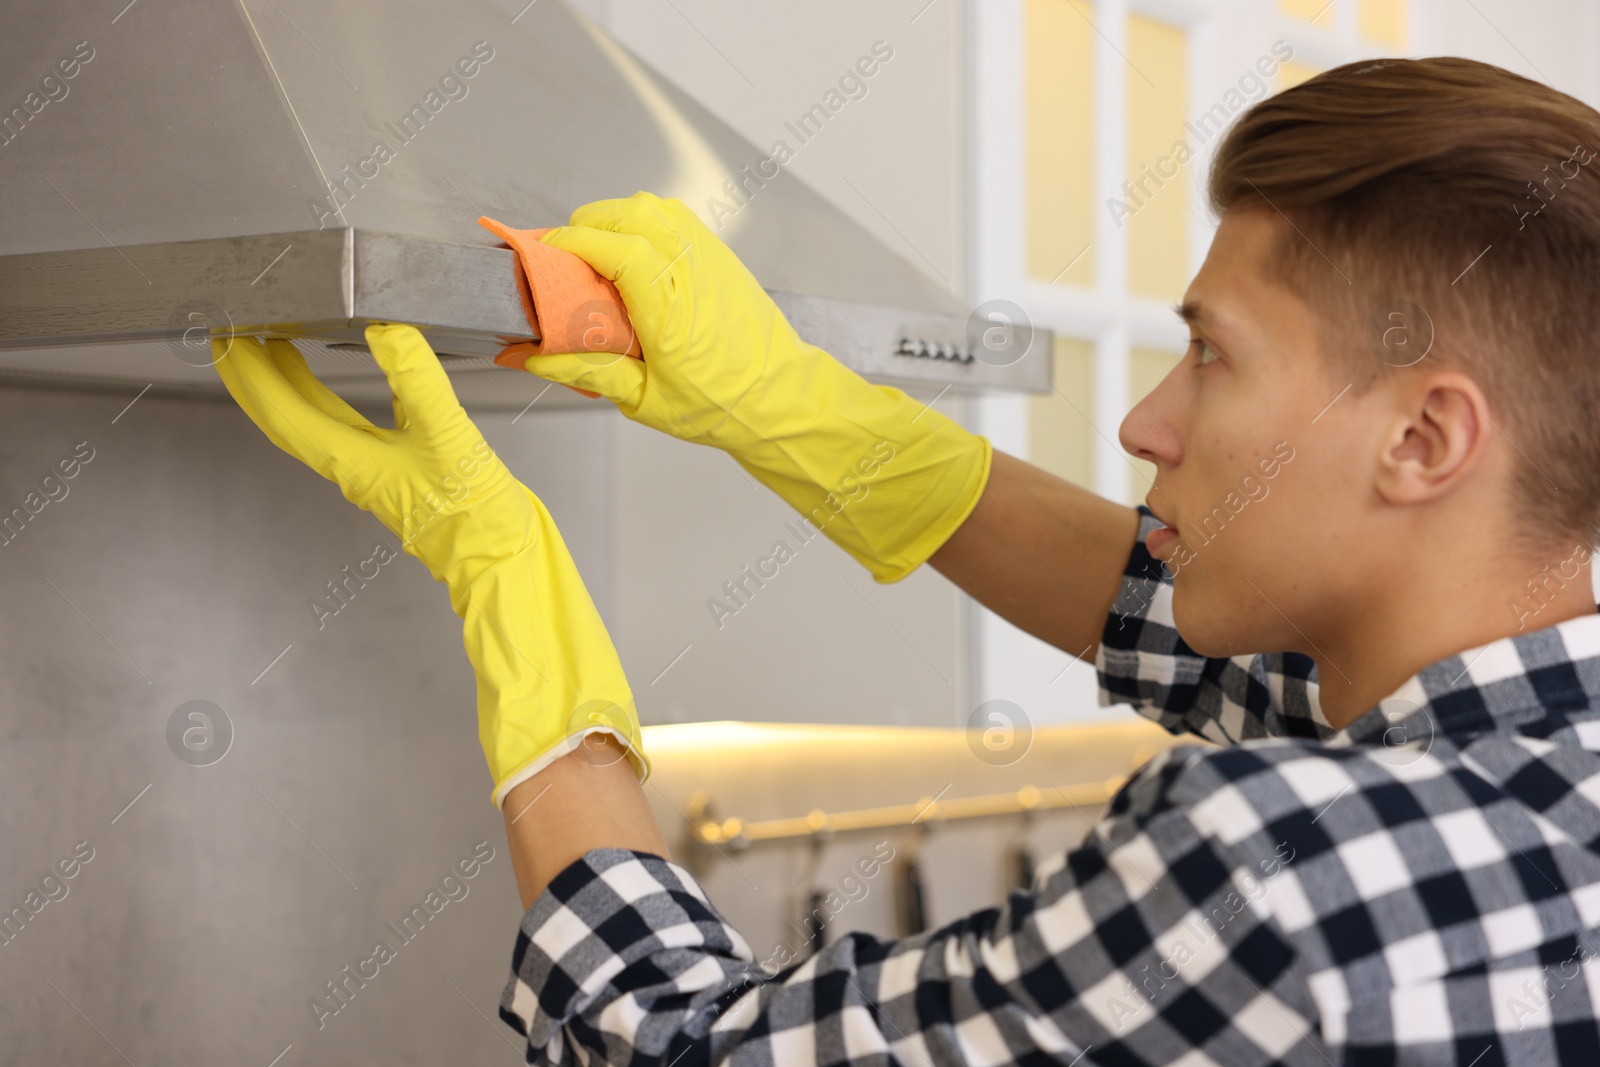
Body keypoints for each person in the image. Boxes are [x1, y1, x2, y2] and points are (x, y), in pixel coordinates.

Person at [217, 55, 1600, 1065]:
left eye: (1212, 354)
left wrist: (504, 582)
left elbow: (669, 1049)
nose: (1143, 421)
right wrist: (788, 404)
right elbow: (1186, 634)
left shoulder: (1272, 870)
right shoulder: (1519, 761)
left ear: (1425, 439)